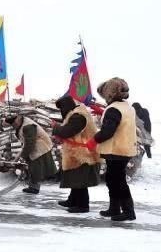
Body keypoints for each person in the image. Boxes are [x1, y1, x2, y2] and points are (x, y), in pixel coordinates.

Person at [87, 78, 137, 221]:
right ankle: (114, 208)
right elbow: (119, 121)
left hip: (116, 150)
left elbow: (108, 131)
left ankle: (128, 211)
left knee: (118, 181)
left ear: (110, 93)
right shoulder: (126, 106)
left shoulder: (114, 109)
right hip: (124, 149)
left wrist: (94, 140)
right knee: (112, 179)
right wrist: (103, 112)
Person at [51, 96, 101, 213]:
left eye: (61, 108)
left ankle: (83, 205)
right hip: (77, 152)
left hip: (83, 154)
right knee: (75, 178)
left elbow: (67, 131)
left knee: (80, 181)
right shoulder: (76, 114)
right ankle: (73, 200)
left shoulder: (78, 116)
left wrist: (56, 127)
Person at [5, 115, 57, 194]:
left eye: (14, 124)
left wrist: (23, 156)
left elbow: (30, 144)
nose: (14, 126)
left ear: (18, 120)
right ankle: (32, 186)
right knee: (32, 166)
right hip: (35, 145)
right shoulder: (22, 123)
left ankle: (34, 188)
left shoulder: (28, 126)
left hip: (40, 146)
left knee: (35, 167)